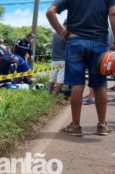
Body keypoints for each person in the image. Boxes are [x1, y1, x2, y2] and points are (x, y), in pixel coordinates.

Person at [46, 0, 115, 136]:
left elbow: (50, 12)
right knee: (100, 85)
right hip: (99, 42)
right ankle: (102, 125)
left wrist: (61, 32)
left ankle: (76, 126)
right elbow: (113, 13)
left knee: (77, 84)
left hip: (75, 42)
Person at [48, 29, 66, 96]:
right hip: (63, 60)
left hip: (54, 60)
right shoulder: (67, 35)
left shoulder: (54, 35)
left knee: (52, 77)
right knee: (60, 78)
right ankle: (56, 94)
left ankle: (49, 93)